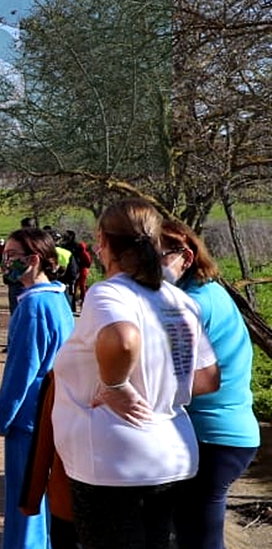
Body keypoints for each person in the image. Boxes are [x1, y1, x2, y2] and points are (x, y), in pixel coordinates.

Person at [51, 199, 221, 549]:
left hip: (113, 462)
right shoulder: (179, 300)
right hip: (171, 455)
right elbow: (208, 377)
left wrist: (117, 386)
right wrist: (160, 388)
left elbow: (123, 339)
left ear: (103, 241)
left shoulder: (109, 293)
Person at [161, 219, 260, 549]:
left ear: (186, 257)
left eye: (155, 256)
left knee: (197, 537)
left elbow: (176, 378)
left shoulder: (191, 304)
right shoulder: (206, 290)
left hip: (211, 436)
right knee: (194, 532)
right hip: (227, 432)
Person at [0, 228, 75, 549]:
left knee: (24, 503)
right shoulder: (58, 299)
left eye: (13, 256)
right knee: (42, 502)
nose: (6, 262)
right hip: (53, 416)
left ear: (35, 259)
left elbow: (21, 372)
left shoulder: (32, 307)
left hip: (29, 421)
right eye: (5, 255)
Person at [20, 372, 78, 549]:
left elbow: (42, 442)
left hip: (70, 501)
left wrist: (30, 499)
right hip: (140, 497)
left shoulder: (62, 374)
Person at [63, 230, 93, 312]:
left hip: (79, 268)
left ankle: (81, 305)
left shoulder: (77, 246)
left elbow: (84, 258)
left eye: (67, 235)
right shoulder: (67, 245)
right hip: (74, 268)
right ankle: (74, 306)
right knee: (75, 287)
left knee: (80, 286)